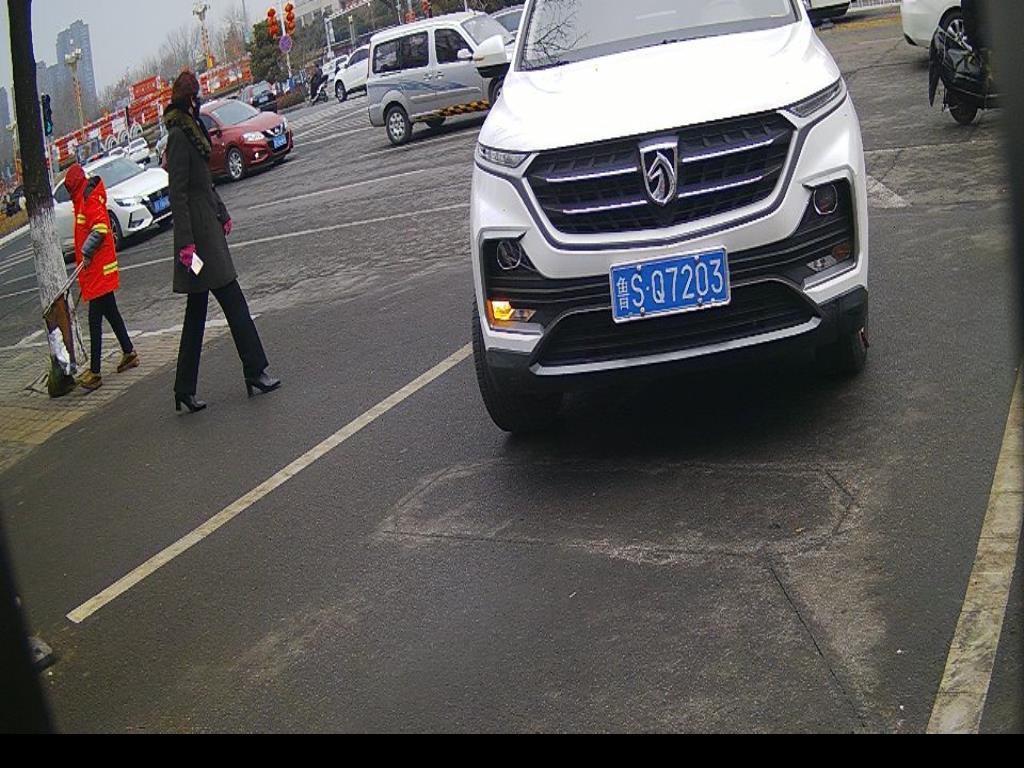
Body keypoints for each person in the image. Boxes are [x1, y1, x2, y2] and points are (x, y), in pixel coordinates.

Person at [164, 71, 280, 414]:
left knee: (197, 314)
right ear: (189, 99)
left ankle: (184, 389)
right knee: (233, 300)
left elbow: (205, 184)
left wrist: (222, 211)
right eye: (196, 95)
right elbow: (178, 194)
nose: (199, 100)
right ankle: (255, 370)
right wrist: (186, 245)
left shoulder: (192, 129)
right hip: (199, 241)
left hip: (207, 229)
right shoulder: (179, 136)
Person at [64, 163, 138, 392]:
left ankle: (95, 372)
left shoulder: (88, 200)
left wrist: (86, 252)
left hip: (98, 270)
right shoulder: (84, 199)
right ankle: (129, 352)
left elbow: (100, 230)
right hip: (96, 271)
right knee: (111, 313)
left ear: (74, 186)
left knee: (95, 321)